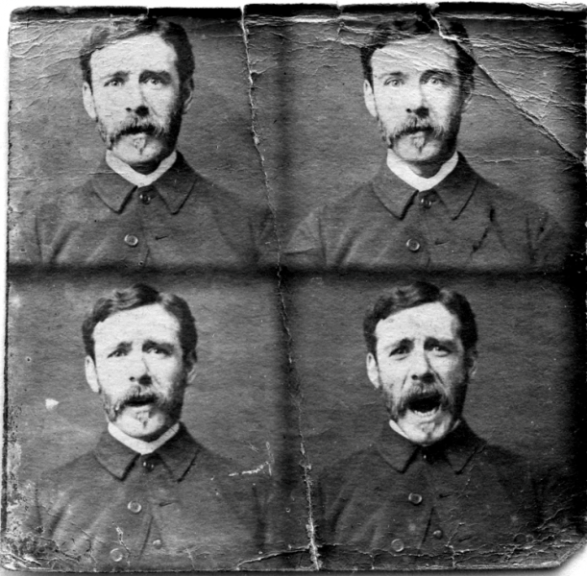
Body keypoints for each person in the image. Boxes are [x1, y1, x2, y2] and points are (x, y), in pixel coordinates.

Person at [316, 282, 581, 569]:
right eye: (400, 350)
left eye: (439, 348)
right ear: (374, 369)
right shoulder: (325, 495)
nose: (422, 369)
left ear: (470, 362)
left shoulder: (539, 489)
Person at [285, 11, 567, 271]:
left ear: (466, 93)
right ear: (370, 96)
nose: (416, 103)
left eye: (436, 81)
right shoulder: (321, 236)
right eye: (394, 82)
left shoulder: (535, 233)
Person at [24, 284, 269, 571]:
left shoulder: (256, 494)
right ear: (92, 373)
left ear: (189, 366)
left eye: (157, 350)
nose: (139, 372)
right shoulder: (43, 499)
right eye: (118, 353)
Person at [13, 16, 274, 269]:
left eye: (154, 80)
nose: (136, 102)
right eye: (115, 82)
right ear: (90, 99)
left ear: (185, 94)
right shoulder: (39, 231)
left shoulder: (252, 226)